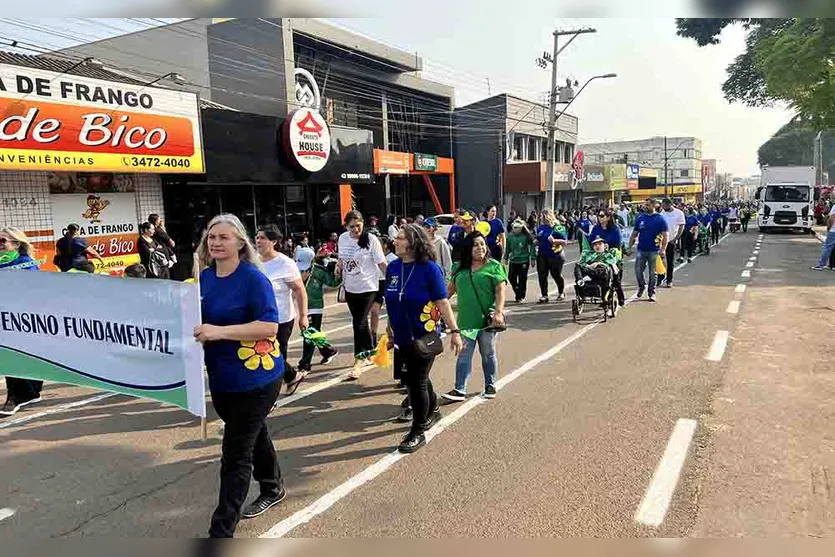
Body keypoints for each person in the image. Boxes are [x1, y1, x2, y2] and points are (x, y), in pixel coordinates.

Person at [194, 214, 285, 537]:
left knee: (235, 455)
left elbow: (269, 327)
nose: (216, 243)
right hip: (223, 379)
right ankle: (273, 487)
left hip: (257, 379)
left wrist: (218, 332)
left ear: (240, 243)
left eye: (224, 237)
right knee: (252, 432)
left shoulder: (253, 279)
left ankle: (221, 531)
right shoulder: (204, 278)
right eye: (211, 237)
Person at [384, 224, 461, 453]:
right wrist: (389, 329)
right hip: (401, 336)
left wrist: (454, 331)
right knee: (415, 378)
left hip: (424, 335)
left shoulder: (429, 269)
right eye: (395, 238)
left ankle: (418, 430)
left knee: (416, 381)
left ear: (413, 242)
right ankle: (434, 407)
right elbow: (392, 300)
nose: (394, 242)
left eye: (400, 238)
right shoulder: (393, 267)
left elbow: (442, 301)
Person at [443, 232, 507, 403]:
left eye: (482, 244)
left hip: (487, 322)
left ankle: (490, 385)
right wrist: (434, 309)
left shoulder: (494, 266)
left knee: (488, 353)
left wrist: (499, 312)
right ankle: (459, 389)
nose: (480, 248)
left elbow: (500, 290)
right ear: (467, 248)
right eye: (475, 245)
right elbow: (449, 292)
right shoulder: (459, 268)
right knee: (464, 354)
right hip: (467, 322)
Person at [255, 226, 309, 394]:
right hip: (259, 319)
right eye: (257, 237)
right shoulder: (253, 261)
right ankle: (292, 376)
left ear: (274, 242)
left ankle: (270, 395)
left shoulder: (285, 263)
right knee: (262, 356)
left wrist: (304, 316)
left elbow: (300, 290)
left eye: (262, 238)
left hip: (281, 319)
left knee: (275, 357)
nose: (258, 241)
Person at [337, 211, 387, 380]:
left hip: (368, 287)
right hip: (350, 287)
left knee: (358, 323)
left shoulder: (371, 240)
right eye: (352, 226)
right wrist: (339, 266)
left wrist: (395, 280)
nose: (356, 229)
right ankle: (370, 349)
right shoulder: (343, 238)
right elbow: (342, 258)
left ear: (363, 223)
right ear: (346, 226)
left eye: (358, 225)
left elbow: (381, 263)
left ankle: (358, 360)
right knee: (361, 322)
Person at [0, 227, 44, 417]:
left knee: (16, 356)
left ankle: (17, 397)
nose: (0, 245)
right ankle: (27, 393)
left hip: (21, 319)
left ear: (16, 244)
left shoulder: (25, 263)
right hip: (3, 317)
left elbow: (33, 291)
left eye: (3, 241)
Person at [297, 246, 340, 372]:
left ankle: (305, 364)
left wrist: (336, 273)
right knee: (314, 332)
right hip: (302, 306)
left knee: (309, 333)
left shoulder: (319, 270)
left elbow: (333, 283)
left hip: (315, 306)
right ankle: (328, 351)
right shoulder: (294, 268)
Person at [628, 199, 669, 302]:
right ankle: (641, 286)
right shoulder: (640, 218)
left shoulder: (660, 219)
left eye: (648, 205)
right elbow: (634, 234)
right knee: (638, 271)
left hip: (654, 250)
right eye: (645, 205)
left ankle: (651, 292)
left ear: (654, 206)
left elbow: (665, 235)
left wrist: (663, 249)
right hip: (641, 249)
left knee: (652, 273)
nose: (646, 206)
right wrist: (629, 247)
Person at [589, 209, 625, 306]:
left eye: (602, 216)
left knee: (615, 278)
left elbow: (617, 243)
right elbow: (591, 240)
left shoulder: (615, 228)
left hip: (613, 254)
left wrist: (605, 245)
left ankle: (621, 298)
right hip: (599, 255)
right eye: (599, 216)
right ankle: (604, 298)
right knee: (598, 275)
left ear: (608, 217)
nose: (599, 218)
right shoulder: (596, 228)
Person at [535, 208, 568, 303]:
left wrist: (554, 241)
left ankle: (561, 292)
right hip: (542, 255)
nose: (540, 218)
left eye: (541, 216)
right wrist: (537, 241)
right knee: (542, 275)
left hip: (555, 255)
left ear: (546, 216)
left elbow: (565, 241)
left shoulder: (558, 227)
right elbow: (539, 239)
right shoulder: (541, 227)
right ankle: (544, 295)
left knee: (556, 275)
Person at [505, 219, 536, 303]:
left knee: (522, 278)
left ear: (522, 228)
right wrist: (506, 258)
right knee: (511, 278)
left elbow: (533, 244)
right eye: (515, 227)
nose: (516, 229)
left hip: (523, 260)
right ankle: (517, 291)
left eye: (518, 228)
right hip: (513, 260)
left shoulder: (525, 236)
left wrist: (532, 258)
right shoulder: (510, 236)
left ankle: (521, 296)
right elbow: (507, 248)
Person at [659, 198, 685, 287]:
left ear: (670, 204)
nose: (662, 207)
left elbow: (681, 226)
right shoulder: (662, 214)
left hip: (671, 241)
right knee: (659, 260)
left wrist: (676, 238)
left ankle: (669, 280)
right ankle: (661, 276)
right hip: (661, 241)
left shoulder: (679, 213)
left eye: (664, 205)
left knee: (670, 261)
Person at [812, 201, 835, 271]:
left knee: (827, 248)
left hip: (833, 231)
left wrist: (829, 228)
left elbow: (831, 218)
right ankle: (832, 265)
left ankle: (821, 265)